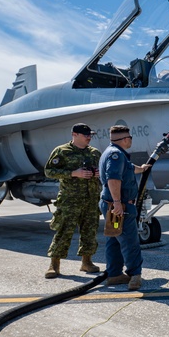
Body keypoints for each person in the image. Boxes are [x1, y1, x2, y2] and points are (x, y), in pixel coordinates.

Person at [43, 122, 102, 278]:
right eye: (86, 135)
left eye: (90, 135)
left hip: (91, 198)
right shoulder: (62, 151)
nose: (89, 138)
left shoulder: (95, 153)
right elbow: (49, 171)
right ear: (74, 135)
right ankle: (54, 265)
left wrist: (98, 173)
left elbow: (103, 171)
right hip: (70, 199)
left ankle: (87, 262)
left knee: (90, 231)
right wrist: (73, 173)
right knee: (64, 231)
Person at [98, 125, 151, 291]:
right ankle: (135, 276)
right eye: (130, 138)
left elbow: (126, 169)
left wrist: (141, 169)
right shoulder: (116, 155)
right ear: (125, 139)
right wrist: (118, 203)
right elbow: (113, 179)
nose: (131, 141)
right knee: (129, 241)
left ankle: (114, 275)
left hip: (111, 206)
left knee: (114, 238)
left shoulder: (112, 152)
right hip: (119, 208)